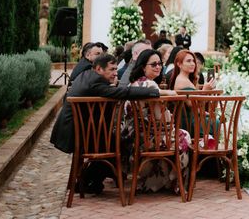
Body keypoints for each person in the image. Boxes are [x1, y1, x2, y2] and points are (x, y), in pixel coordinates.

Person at [50, 54, 176, 193]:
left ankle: (91, 181)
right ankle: (88, 181)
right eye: (112, 69)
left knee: (118, 139)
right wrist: (157, 92)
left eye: (116, 68)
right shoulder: (96, 83)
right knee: (122, 144)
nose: (116, 72)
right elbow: (123, 92)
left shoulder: (87, 75)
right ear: (98, 68)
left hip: (75, 131)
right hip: (78, 136)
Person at [121, 49, 191, 193]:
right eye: (153, 64)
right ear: (142, 67)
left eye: (160, 63)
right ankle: (175, 181)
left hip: (131, 139)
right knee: (184, 135)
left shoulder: (134, 83)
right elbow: (161, 120)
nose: (158, 67)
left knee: (172, 134)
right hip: (146, 140)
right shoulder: (150, 85)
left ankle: (157, 182)